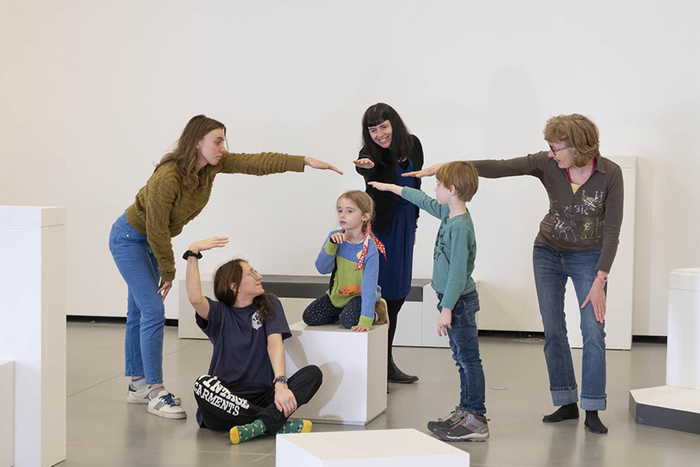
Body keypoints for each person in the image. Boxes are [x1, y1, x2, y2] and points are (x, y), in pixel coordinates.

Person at [108, 114, 340, 419]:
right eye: (217, 141)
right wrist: (169, 271)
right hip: (130, 239)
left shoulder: (212, 166)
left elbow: (256, 163)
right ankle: (155, 390)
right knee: (152, 310)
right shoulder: (167, 178)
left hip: (149, 241)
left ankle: (137, 384)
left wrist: (305, 161)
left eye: (223, 141)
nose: (222, 147)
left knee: (140, 311)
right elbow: (156, 227)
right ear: (196, 143)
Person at [405, 114, 622, 434]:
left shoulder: (610, 174)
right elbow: (502, 167)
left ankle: (592, 407)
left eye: (555, 147)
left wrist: (600, 279)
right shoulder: (548, 164)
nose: (550, 153)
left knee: (593, 330)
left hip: (588, 258)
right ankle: (566, 402)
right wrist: (451, 166)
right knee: (554, 329)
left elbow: (612, 230)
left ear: (576, 147)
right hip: (548, 252)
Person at [369, 161, 488, 442]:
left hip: (459, 302)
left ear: (453, 190)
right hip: (452, 301)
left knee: (469, 360)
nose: (434, 188)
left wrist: (446, 309)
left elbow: (459, 274)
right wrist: (390, 187)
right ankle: (466, 412)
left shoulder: (460, 227)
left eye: (439, 184)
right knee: (461, 359)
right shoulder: (449, 213)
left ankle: (476, 419)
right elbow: (420, 199)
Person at [185, 237, 323, 444]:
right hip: (224, 403)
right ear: (234, 286)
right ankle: (271, 422)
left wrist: (280, 384)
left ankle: (258, 426)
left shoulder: (269, 303)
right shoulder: (219, 313)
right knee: (202, 385)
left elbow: (274, 343)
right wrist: (192, 253)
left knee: (313, 374)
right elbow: (195, 298)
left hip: (263, 395)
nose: (259, 276)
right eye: (251, 273)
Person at [353, 103, 423, 383]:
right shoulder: (370, 153)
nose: (379, 134)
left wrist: (415, 223)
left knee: (400, 292)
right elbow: (366, 167)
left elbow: (417, 186)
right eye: (373, 130)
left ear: (394, 123)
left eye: (383, 127)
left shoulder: (413, 144)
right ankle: (378, 364)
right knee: (381, 293)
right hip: (382, 229)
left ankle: (385, 361)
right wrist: (365, 167)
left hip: (405, 223)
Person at [302, 190, 387, 332]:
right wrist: (331, 244)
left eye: (349, 211)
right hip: (338, 295)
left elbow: (369, 286)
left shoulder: (370, 249)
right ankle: (344, 313)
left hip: (359, 296)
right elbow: (322, 269)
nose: (342, 215)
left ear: (365, 216)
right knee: (309, 317)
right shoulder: (333, 237)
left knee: (348, 322)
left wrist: (366, 320)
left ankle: (376, 311)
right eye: (340, 210)